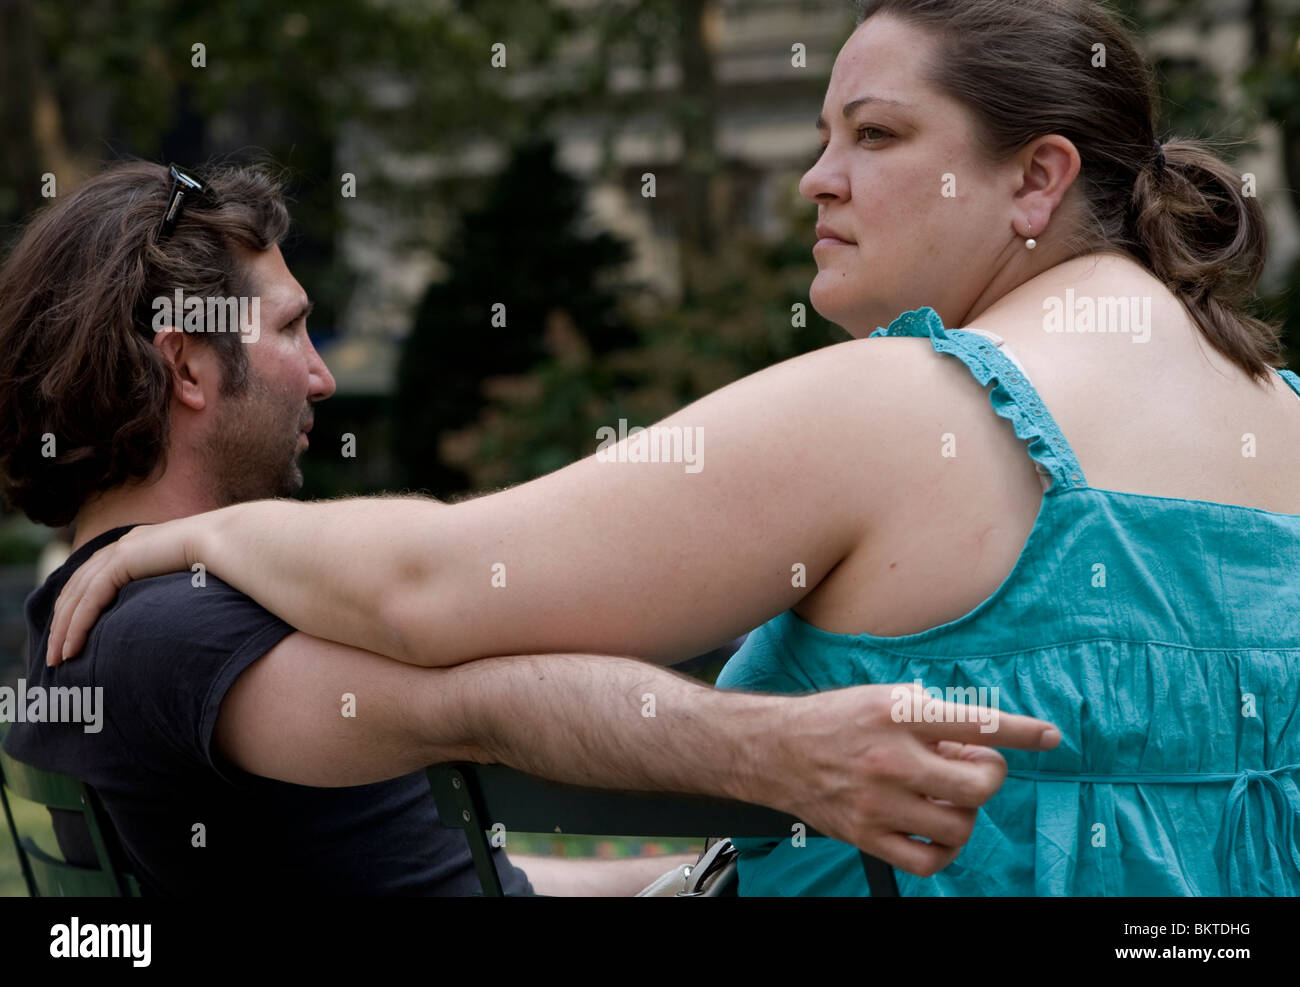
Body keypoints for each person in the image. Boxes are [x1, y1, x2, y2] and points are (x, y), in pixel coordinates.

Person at [47, 0, 1300, 896]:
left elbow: (432, 589)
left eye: (873, 135)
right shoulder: (1281, 415)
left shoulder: (905, 406)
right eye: (821, 133)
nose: (815, 178)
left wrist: (205, 533)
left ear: (1034, 181)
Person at [0, 160, 1055, 896]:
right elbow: (484, 710)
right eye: (291, 330)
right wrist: (781, 752)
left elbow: (445, 874)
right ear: (186, 362)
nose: (322, 374)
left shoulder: (100, 617)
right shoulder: (176, 635)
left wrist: (696, 875)